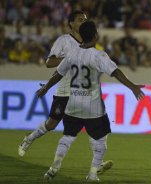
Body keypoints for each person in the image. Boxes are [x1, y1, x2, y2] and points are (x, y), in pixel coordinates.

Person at [36, 21, 145, 182]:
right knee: (101, 140)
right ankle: (93, 174)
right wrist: (132, 86)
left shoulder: (71, 53)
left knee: (68, 136)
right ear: (95, 36)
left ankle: (53, 168)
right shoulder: (98, 55)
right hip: (92, 107)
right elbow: (115, 72)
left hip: (73, 105)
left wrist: (46, 88)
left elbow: (58, 74)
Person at [18, 11, 113, 173]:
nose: (83, 22)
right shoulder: (63, 40)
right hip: (64, 91)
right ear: (70, 23)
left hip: (85, 94)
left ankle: (98, 163)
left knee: (94, 128)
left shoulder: (89, 41)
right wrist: (71, 58)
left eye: (85, 19)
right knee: (51, 124)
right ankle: (29, 138)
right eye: (79, 19)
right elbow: (49, 63)